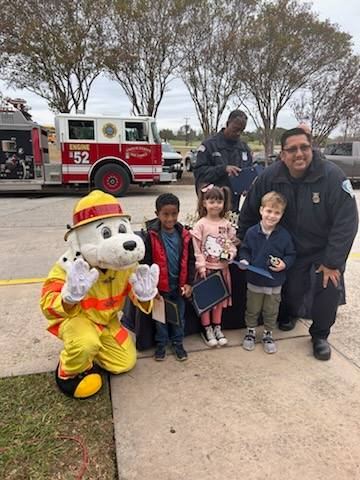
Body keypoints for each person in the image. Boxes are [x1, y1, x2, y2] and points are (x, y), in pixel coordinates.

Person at [238, 127, 358, 361]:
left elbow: (347, 222)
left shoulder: (332, 176)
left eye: (304, 147)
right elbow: (249, 211)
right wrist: (244, 241)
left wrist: (333, 262)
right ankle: (290, 314)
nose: (299, 154)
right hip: (288, 248)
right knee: (289, 290)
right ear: (282, 155)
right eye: (292, 150)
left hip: (322, 250)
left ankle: (320, 335)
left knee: (328, 285)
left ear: (312, 148)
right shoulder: (269, 177)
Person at [239, 191, 296, 354]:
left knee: (271, 310)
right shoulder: (251, 232)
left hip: (274, 282)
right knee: (252, 308)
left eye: (277, 212)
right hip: (254, 280)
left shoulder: (284, 235)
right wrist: (244, 260)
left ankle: (268, 334)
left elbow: (291, 254)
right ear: (261, 210)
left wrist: (284, 264)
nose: (272, 216)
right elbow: (245, 250)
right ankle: (250, 332)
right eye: (269, 211)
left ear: (282, 214)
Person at [142, 193, 195, 361]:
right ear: (157, 213)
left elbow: (191, 261)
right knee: (160, 319)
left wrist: (189, 283)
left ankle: (178, 343)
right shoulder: (151, 236)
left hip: (178, 285)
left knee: (178, 317)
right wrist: (151, 287)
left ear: (178, 213)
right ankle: (161, 343)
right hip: (159, 288)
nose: (170, 218)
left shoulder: (185, 235)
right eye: (165, 214)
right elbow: (146, 263)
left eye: (174, 214)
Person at [191, 185, 238, 347]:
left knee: (218, 301)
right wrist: (201, 266)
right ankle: (207, 329)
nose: (215, 205)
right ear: (204, 203)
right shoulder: (201, 225)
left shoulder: (227, 224)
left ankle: (217, 327)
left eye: (219, 201)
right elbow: (197, 249)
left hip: (222, 270)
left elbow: (231, 244)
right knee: (206, 301)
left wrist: (231, 254)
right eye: (212, 201)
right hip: (206, 270)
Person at [194, 110, 253, 210]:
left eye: (241, 130)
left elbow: (248, 172)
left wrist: (247, 187)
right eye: (235, 129)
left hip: (233, 206)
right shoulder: (209, 146)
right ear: (227, 124)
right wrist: (223, 169)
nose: (238, 133)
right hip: (211, 206)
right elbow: (199, 173)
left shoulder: (244, 149)